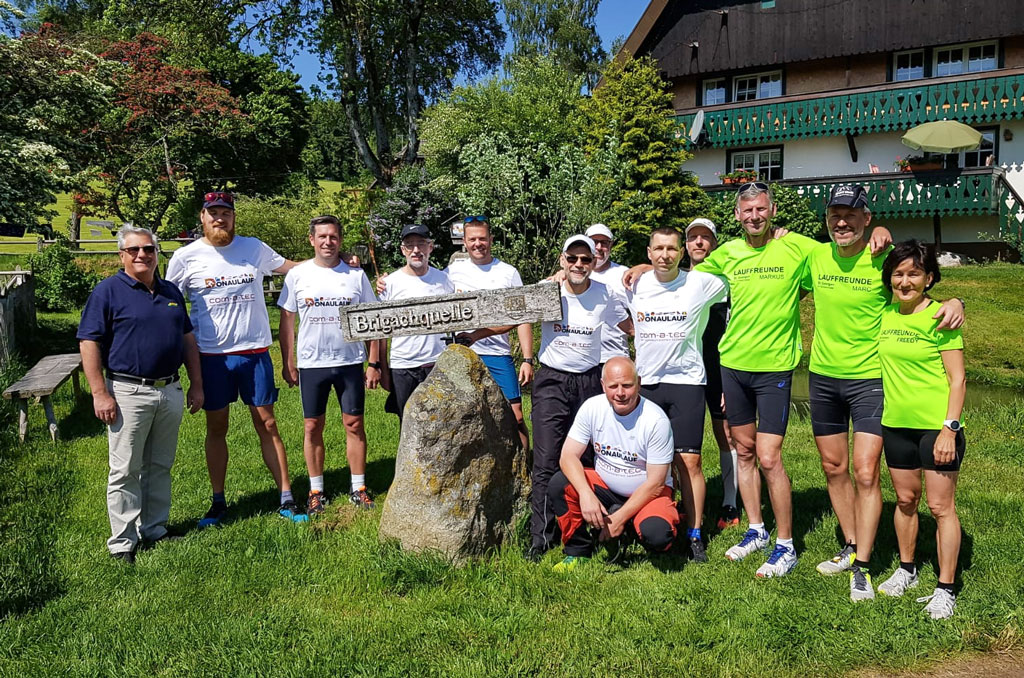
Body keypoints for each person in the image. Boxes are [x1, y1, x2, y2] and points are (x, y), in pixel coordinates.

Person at [692, 182, 889, 578]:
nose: (755, 216)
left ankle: (786, 544)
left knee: (769, 457)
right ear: (737, 215)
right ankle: (756, 529)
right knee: (743, 451)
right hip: (733, 363)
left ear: (773, 211)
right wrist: (641, 270)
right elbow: (683, 279)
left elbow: (884, 262)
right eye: (747, 210)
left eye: (761, 209)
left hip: (777, 366)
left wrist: (883, 232)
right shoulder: (727, 253)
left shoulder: (801, 248)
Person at [803, 185, 964, 601]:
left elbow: (915, 283)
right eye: (835, 215)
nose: (842, 222)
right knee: (833, 466)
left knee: (865, 471)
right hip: (823, 376)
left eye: (851, 215)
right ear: (826, 219)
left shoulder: (881, 256)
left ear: (867, 218)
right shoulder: (814, 255)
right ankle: (852, 543)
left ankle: (865, 563)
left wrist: (955, 300)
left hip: (870, 379)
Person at [165, 191, 306, 527]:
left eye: (225, 213)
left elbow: (292, 269)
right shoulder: (185, 257)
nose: (220, 219)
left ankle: (286, 496)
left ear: (233, 217)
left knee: (267, 424)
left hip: (255, 352)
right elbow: (166, 302)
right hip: (212, 357)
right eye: (213, 213)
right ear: (202, 217)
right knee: (217, 427)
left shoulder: (253, 248)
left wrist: (335, 260)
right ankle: (218, 502)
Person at [78, 225, 204, 563]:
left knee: (160, 465)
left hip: (169, 389)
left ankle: (154, 528)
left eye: (148, 249)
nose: (142, 255)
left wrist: (196, 384)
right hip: (127, 392)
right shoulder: (107, 292)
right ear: (121, 255)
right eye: (133, 250)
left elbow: (187, 340)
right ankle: (122, 542)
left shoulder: (171, 291)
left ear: (156, 253)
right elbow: (88, 342)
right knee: (125, 469)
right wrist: (99, 393)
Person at [625, 226, 728, 563]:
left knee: (689, 462)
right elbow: (587, 280)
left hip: (687, 382)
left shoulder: (701, 283)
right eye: (658, 249)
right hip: (648, 384)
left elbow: (744, 275)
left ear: (681, 253)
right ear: (649, 252)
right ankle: (649, 520)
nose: (665, 255)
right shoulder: (635, 284)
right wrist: (557, 274)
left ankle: (695, 533)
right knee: (647, 462)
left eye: (671, 249)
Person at [527, 235, 632, 561]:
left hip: (589, 381)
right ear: (562, 260)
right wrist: (475, 335)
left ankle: (586, 533)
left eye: (585, 259)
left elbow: (631, 326)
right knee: (546, 459)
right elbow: (514, 315)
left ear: (593, 262)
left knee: (587, 459)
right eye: (572, 258)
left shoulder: (605, 294)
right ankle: (541, 539)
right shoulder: (548, 290)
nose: (578, 264)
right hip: (552, 380)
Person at [875, 240, 965, 619]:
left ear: (928, 278)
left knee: (940, 507)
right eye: (898, 274)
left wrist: (949, 430)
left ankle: (946, 588)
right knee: (906, 501)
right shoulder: (885, 314)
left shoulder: (940, 317)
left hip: (936, 429)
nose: (905, 281)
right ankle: (907, 569)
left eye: (914, 274)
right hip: (896, 426)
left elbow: (958, 380)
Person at [278, 215, 381, 513]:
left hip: (350, 361)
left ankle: (358, 487)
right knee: (312, 426)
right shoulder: (297, 275)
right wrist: (288, 361)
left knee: (354, 424)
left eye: (333, 236)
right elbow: (287, 321)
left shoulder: (355, 275)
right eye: (322, 236)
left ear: (340, 240)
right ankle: (316, 490)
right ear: (312, 240)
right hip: (312, 363)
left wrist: (374, 361)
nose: (328, 242)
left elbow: (372, 318)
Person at [547, 357, 678, 571]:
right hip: (605, 487)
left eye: (627, 385)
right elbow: (567, 456)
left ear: (639, 383)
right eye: (613, 386)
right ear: (603, 385)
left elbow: (656, 483)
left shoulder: (656, 420)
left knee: (658, 536)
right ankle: (578, 550)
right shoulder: (592, 407)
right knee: (560, 484)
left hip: (648, 493)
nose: (620, 393)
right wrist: (586, 494)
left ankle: (633, 526)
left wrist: (620, 518)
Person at [445, 217, 534, 451]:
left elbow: (523, 316)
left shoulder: (507, 272)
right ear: (464, 242)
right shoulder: (451, 272)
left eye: (482, 238)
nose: (478, 244)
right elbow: (426, 289)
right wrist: (384, 282)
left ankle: (525, 465)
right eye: (472, 239)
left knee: (516, 416)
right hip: (463, 354)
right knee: (465, 417)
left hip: (497, 353)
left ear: (491, 240)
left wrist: (527, 359)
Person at [683, 218, 740, 531]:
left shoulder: (727, 281)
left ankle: (730, 502)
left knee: (726, 435)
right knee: (678, 440)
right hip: (685, 369)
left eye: (705, 237)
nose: (699, 242)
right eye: (693, 237)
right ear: (685, 245)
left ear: (714, 244)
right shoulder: (675, 280)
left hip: (719, 368)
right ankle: (679, 499)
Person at [380, 223, 454, 421]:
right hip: (403, 364)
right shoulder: (389, 284)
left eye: (421, 243)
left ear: (430, 247)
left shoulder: (444, 280)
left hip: (436, 363)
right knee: (407, 422)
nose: (416, 250)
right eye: (410, 245)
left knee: (440, 421)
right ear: (402, 250)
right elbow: (381, 332)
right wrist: (383, 369)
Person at [584, 224, 631, 364]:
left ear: (611, 245)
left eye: (604, 243)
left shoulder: (624, 274)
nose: (599, 247)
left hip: (614, 357)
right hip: (580, 360)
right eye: (594, 242)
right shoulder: (574, 272)